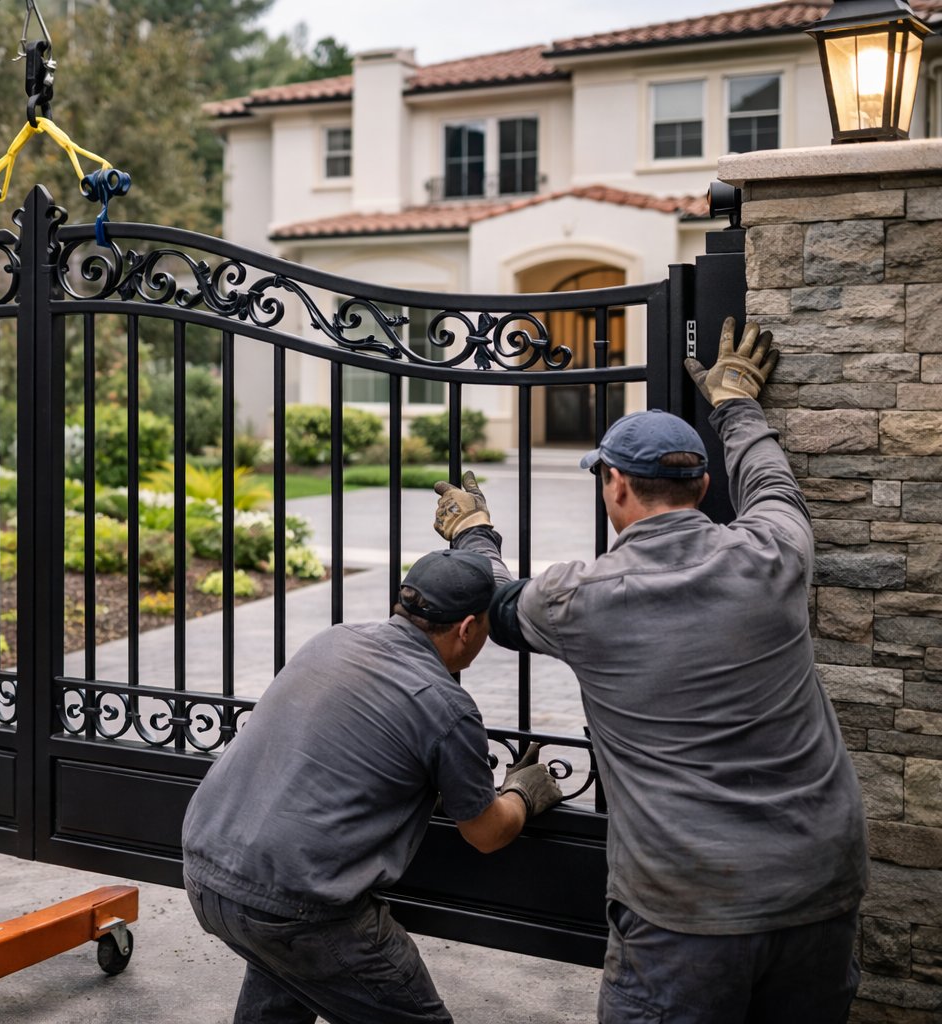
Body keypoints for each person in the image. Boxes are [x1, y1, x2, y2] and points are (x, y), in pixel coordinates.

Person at [432, 319, 867, 1024]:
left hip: (685, 907)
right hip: (819, 883)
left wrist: (472, 531)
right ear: (699, 484)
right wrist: (736, 404)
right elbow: (772, 483)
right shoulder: (774, 555)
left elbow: (492, 596)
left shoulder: (580, 599)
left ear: (616, 487)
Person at [181, 541, 563, 1024]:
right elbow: (486, 832)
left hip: (205, 874)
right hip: (299, 908)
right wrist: (523, 794)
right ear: (469, 628)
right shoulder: (446, 706)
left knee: (286, 973)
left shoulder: (334, 639)